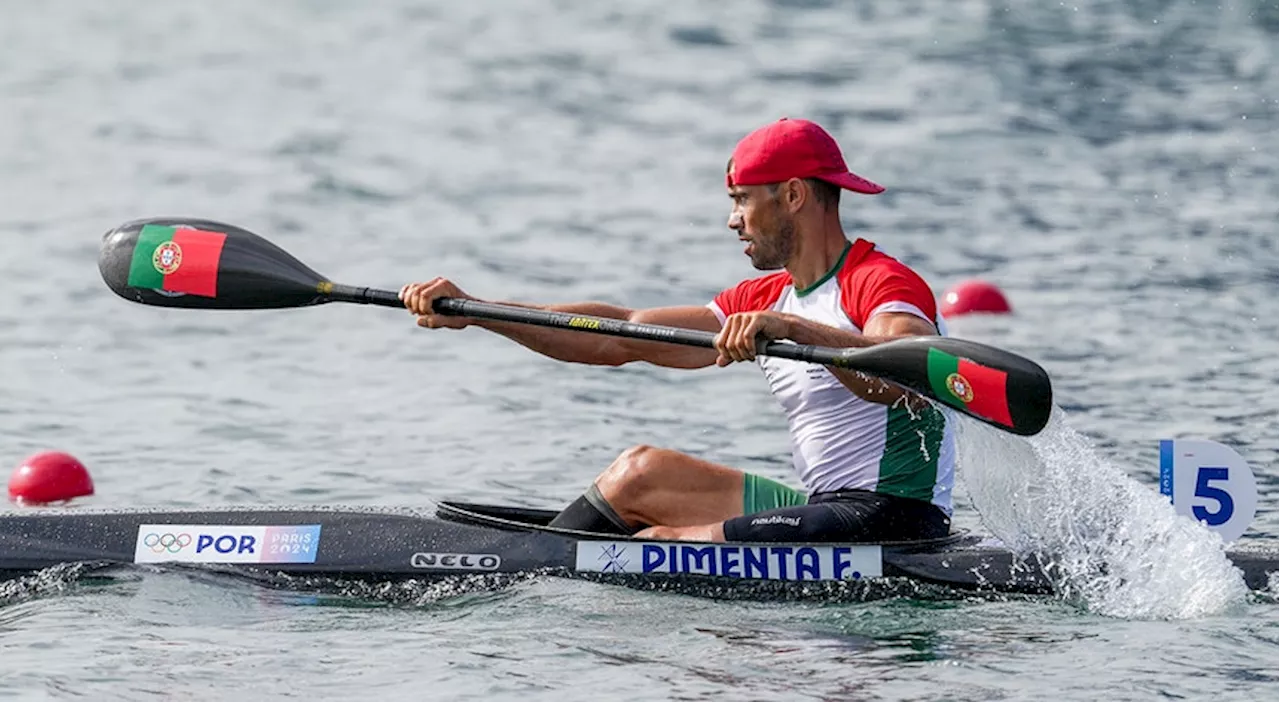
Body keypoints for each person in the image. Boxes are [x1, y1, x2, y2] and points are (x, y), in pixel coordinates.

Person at [400, 117, 954, 544]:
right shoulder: (764, 296)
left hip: (889, 520)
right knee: (642, 475)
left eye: (741, 200)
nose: (732, 220)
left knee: (659, 529)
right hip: (822, 505)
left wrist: (790, 328)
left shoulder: (881, 284)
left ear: (791, 196)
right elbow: (619, 334)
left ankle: (527, 569)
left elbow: (902, 376)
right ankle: (546, 556)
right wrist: (479, 311)